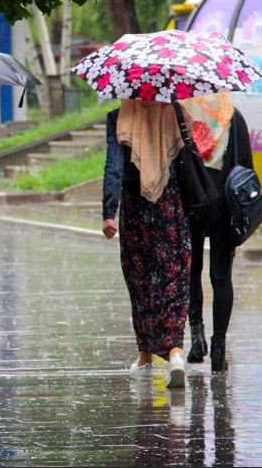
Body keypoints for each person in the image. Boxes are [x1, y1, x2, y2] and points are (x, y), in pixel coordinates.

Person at [102, 99, 191, 389]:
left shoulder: (119, 117)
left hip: (134, 205)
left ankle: (146, 359)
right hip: (171, 203)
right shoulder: (176, 113)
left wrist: (108, 212)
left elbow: (113, 166)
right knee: (173, 276)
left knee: (140, 280)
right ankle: (176, 353)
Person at [183, 93, 254, 372]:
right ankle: (219, 349)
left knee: (191, 272)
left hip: (191, 204)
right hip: (225, 206)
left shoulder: (184, 117)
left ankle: (197, 336)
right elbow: (246, 169)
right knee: (221, 277)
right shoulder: (234, 118)